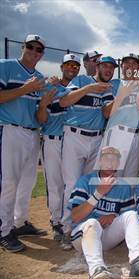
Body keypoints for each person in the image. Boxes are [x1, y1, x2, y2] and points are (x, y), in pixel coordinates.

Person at [59, 56, 120, 250]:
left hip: (96, 139)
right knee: (71, 184)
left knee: (89, 183)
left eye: (111, 67)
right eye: (105, 66)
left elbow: (106, 113)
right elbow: (64, 101)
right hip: (74, 135)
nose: (108, 69)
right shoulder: (81, 81)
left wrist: (122, 96)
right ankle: (67, 231)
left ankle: (83, 225)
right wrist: (88, 89)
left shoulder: (109, 89)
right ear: (97, 66)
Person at [68, 146, 139, 279]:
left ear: (119, 164)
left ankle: (138, 262)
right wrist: (98, 193)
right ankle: (97, 270)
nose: (110, 163)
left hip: (107, 237)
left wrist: (114, 216)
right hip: (83, 236)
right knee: (92, 223)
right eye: (107, 159)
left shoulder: (123, 186)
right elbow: (75, 216)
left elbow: (130, 223)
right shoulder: (85, 181)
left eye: (114, 160)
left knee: (131, 215)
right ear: (99, 162)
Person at [0, 34, 49, 253]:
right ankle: (3, 230)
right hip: (9, 129)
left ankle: (19, 223)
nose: (34, 51)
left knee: (27, 182)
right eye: (31, 46)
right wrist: (24, 89)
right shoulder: (6, 66)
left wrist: (43, 105)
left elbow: (40, 115)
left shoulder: (39, 77)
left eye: (39, 50)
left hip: (32, 132)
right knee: (8, 182)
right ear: (23, 47)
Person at [36, 53, 81, 241]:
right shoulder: (50, 86)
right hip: (53, 140)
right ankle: (56, 221)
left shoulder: (78, 89)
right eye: (68, 65)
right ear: (61, 67)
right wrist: (44, 103)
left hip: (72, 141)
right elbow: (40, 119)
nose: (72, 68)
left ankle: (69, 221)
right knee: (54, 185)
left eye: (75, 65)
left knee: (72, 184)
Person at [105, 53, 139, 178]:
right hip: (117, 134)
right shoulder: (113, 84)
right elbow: (106, 113)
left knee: (131, 179)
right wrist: (122, 94)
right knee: (113, 176)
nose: (130, 66)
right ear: (121, 66)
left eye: (134, 63)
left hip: (136, 135)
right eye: (127, 62)